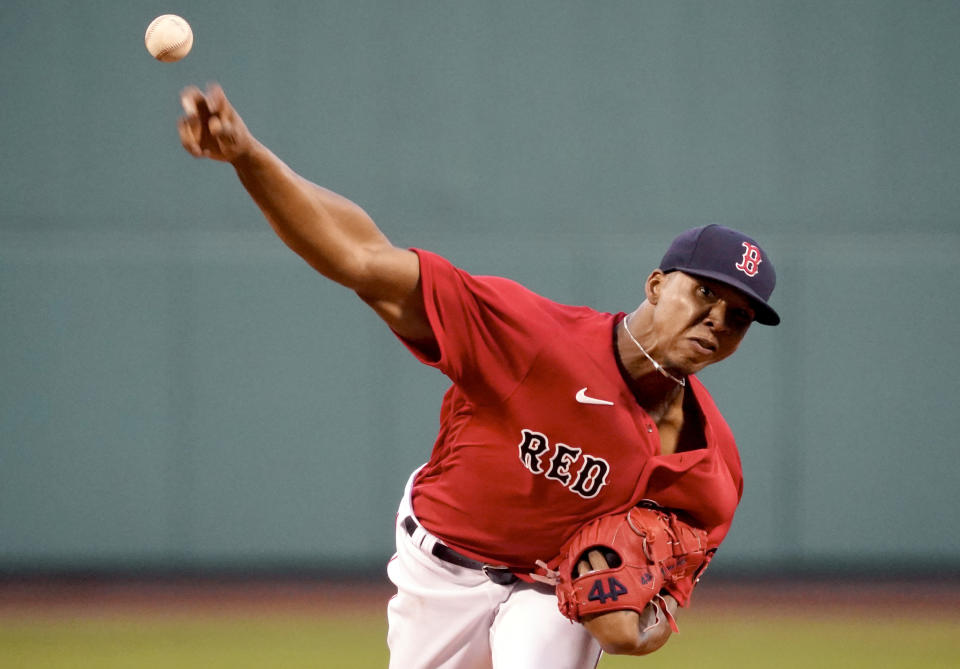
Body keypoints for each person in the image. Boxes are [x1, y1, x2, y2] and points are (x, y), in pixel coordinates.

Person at [177, 83, 780, 668]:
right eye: (703, 292)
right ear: (655, 284)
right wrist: (248, 157)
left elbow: (661, 609)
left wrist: (635, 633)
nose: (717, 320)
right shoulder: (532, 339)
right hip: (441, 570)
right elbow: (357, 257)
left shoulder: (711, 462)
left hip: (549, 593)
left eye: (739, 316)